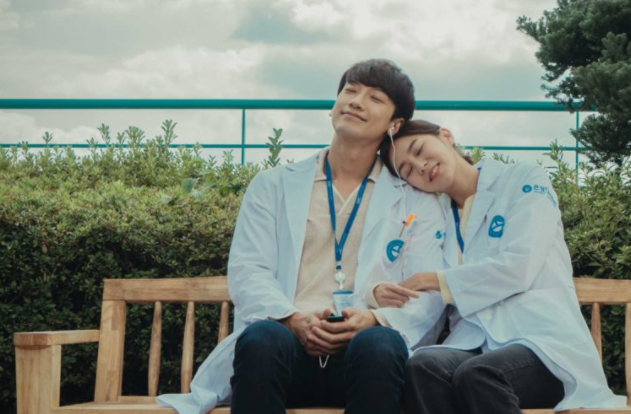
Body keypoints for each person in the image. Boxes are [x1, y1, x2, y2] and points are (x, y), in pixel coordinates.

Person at [158, 61, 447, 414]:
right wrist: (293, 319)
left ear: (395, 124)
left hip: (363, 359)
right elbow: (249, 269)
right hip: (287, 349)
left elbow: (427, 292)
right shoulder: (273, 185)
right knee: (262, 338)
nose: (356, 101)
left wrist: (374, 320)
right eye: (350, 91)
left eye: (375, 98)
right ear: (333, 107)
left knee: (380, 343)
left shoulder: (415, 201)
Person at [374, 119, 626, 414]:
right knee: (424, 367)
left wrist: (436, 280)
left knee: (479, 374)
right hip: (475, 344)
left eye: (419, 150)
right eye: (407, 171)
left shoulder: (522, 178)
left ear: (446, 136)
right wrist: (378, 291)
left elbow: (521, 265)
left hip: (541, 345)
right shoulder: (436, 217)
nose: (420, 166)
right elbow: (408, 275)